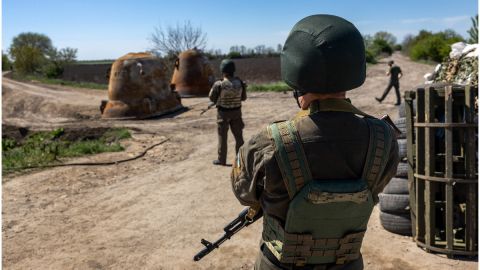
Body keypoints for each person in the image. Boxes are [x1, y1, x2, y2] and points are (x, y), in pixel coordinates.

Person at [231, 15, 399, 270]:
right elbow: (375, 190)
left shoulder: (270, 141)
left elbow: (244, 194)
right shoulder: (383, 137)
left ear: (296, 75)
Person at [209, 59, 247, 166]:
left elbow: (212, 98)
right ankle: (240, 160)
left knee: (222, 137)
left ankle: (222, 160)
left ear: (223, 70)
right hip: (237, 113)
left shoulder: (219, 84)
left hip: (223, 114)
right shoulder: (240, 82)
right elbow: (243, 98)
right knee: (239, 137)